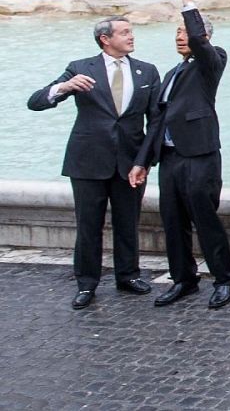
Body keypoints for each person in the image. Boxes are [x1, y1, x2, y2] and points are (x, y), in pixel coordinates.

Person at [27, 16, 161, 309]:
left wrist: (144, 161)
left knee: (128, 223)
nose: (131, 36)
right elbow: (35, 102)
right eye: (124, 32)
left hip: (130, 163)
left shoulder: (148, 71)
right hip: (87, 162)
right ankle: (87, 283)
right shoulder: (80, 68)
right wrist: (64, 87)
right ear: (105, 39)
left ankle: (128, 276)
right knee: (89, 225)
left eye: (131, 31)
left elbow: (155, 122)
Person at [133, 0, 230, 309]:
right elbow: (158, 121)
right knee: (173, 221)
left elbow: (199, 41)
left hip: (199, 155)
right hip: (170, 157)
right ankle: (184, 279)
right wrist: (142, 162)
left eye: (185, 32)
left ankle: (224, 279)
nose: (180, 37)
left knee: (205, 219)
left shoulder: (212, 61)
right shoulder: (173, 73)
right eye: (176, 32)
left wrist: (188, 1)